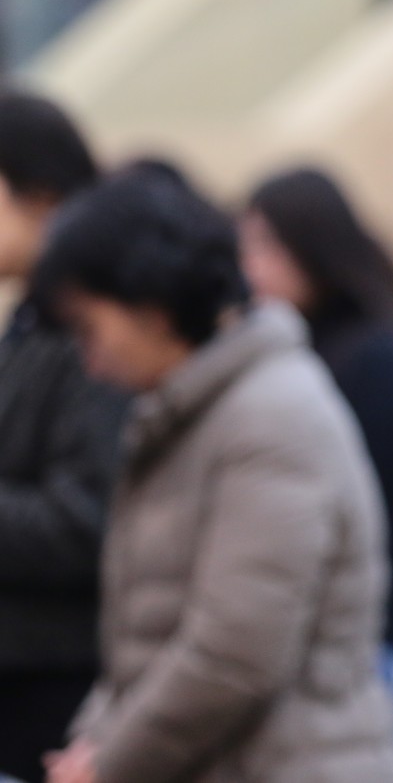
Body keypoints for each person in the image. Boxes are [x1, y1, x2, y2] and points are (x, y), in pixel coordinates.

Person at [35, 167, 393, 783]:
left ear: (152, 310)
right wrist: (92, 741)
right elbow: (143, 638)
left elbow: (237, 652)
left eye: (89, 328)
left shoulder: (272, 415)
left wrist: (110, 761)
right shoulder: (189, 410)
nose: (88, 359)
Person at [241, 166, 393, 656]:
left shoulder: (372, 356)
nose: (250, 267)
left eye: (265, 245)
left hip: (370, 631)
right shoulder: (310, 344)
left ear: (311, 245)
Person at [0, 92, 125, 783]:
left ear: (42, 195)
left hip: (58, 684)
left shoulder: (90, 331)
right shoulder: (35, 322)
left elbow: (86, 518)